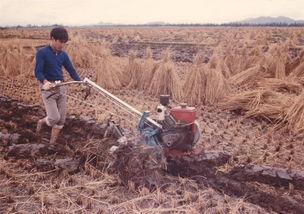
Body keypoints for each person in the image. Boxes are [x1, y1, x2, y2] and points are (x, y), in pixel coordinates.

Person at [35, 27, 81, 144]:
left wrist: (81, 83)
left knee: (61, 120)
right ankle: (41, 122)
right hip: (48, 89)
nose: (62, 45)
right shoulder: (42, 52)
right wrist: (45, 82)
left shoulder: (63, 55)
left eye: (64, 42)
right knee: (54, 117)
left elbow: (71, 71)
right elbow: (38, 71)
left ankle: (52, 145)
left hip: (61, 88)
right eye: (60, 42)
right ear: (52, 39)